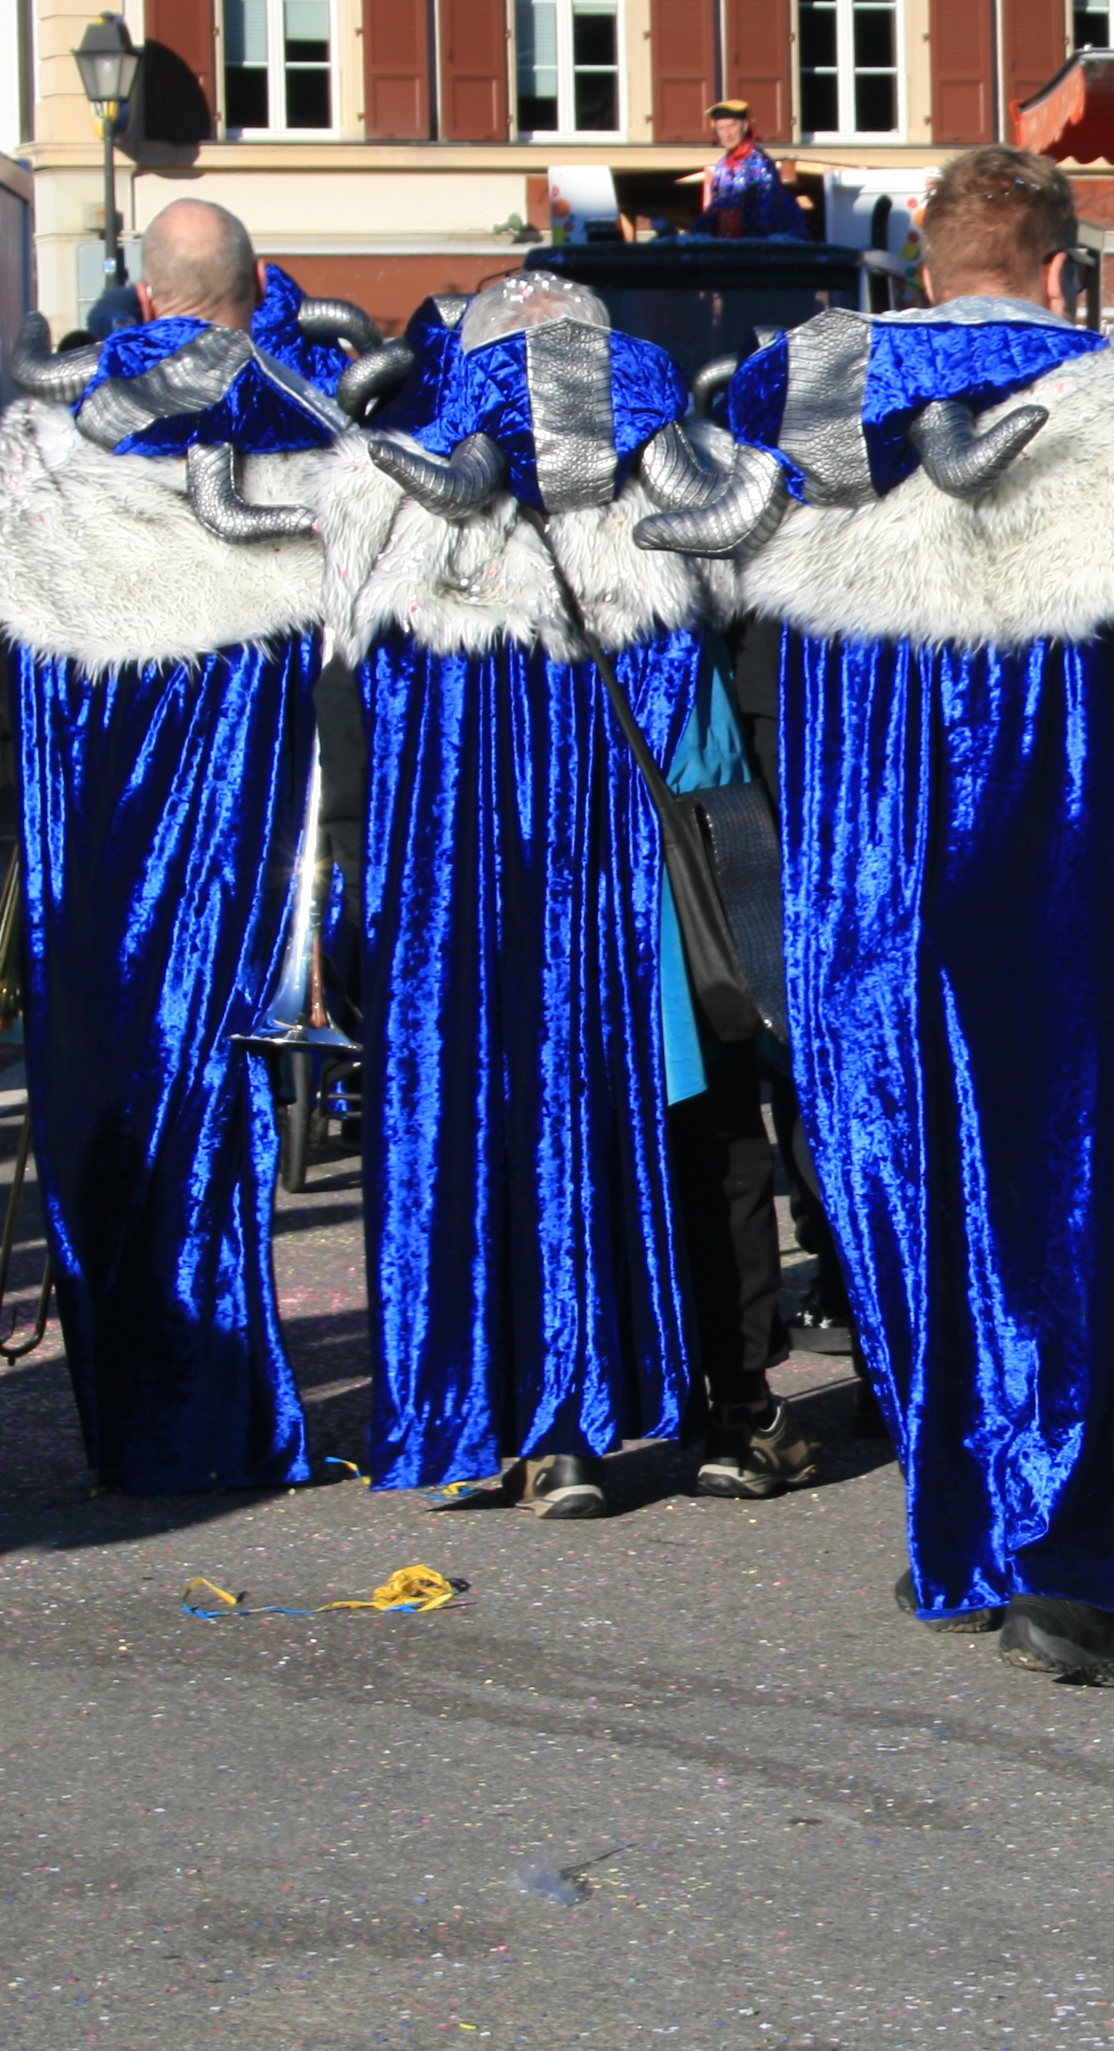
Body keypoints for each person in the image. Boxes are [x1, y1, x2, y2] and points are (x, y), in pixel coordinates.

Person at [654, 143, 1114, 1687]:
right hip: (1087, 889)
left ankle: (976, 1520)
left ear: (923, 264)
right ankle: (1066, 1554)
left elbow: (694, 606)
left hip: (879, 887)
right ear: (1062, 267)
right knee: (1093, 1204)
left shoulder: (806, 390)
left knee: (917, 1194)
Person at [0, 199, 404, 1492]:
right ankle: (210, 1418)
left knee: (99, 1083)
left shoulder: (52, 428)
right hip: (239, 832)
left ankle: (128, 1418)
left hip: (89, 831)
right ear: (255, 291)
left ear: (144, 301)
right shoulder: (294, 393)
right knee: (215, 1099)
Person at [334, 268, 718, 1517]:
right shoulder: (653, 489)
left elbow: (357, 687)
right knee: (585, 1105)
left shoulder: (399, 503)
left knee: (462, 1100)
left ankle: (483, 1409)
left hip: (452, 881)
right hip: (594, 883)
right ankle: (571, 1418)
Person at [681, 102, 808, 242]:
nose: (727, 134)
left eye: (732, 126)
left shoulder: (760, 164)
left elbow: (768, 210)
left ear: (745, 126)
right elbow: (715, 210)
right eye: (721, 128)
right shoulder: (722, 167)